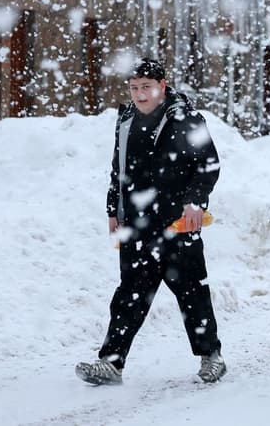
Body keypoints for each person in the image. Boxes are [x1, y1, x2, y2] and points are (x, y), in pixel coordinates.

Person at [76, 58, 226, 385]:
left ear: (162, 84)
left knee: (192, 292)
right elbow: (119, 170)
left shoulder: (185, 118)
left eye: (147, 87)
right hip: (137, 224)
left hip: (176, 223)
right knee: (129, 295)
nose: (140, 95)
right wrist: (113, 211)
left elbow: (209, 165)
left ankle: (211, 356)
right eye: (134, 88)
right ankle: (111, 363)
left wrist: (195, 202)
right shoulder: (127, 119)